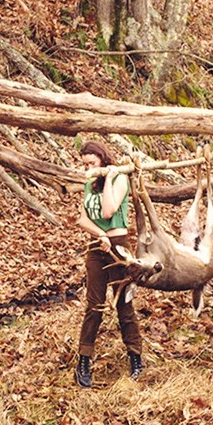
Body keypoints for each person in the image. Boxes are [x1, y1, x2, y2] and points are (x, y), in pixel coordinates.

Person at [74, 140, 143, 388]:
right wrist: (99, 235)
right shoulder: (89, 183)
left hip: (118, 245)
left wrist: (109, 180)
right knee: (94, 305)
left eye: (92, 163)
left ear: (103, 159)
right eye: (85, 164)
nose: (88, 167)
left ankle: (135, 356)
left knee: (123, 302)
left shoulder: (120, 178)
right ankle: (83, 360)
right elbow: (82, 220)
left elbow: (108, 211)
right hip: (97, 246)